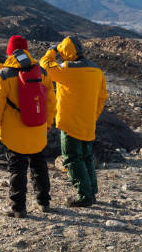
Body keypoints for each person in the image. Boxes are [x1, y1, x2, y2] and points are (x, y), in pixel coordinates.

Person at [0, 35, 56, 218]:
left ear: (9, 51)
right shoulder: (42, 72)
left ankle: (18, 207)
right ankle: (44, 202)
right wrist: (48, 124)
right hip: (38, 130)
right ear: (26, 49)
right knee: (39, 165)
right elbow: (51, 102)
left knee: (17, 168)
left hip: (14, 133)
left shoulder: (2, 75)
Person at [40, 36, 107, 207]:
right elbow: (102, 97)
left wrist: (52, 51)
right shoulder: (97, 70)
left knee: (71, 158)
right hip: (88, 122)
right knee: (86, 157)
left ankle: (84, 196)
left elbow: (45, 65)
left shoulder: (67, 69)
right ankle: (92, 192)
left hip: (70, 122)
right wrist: (93, 115)